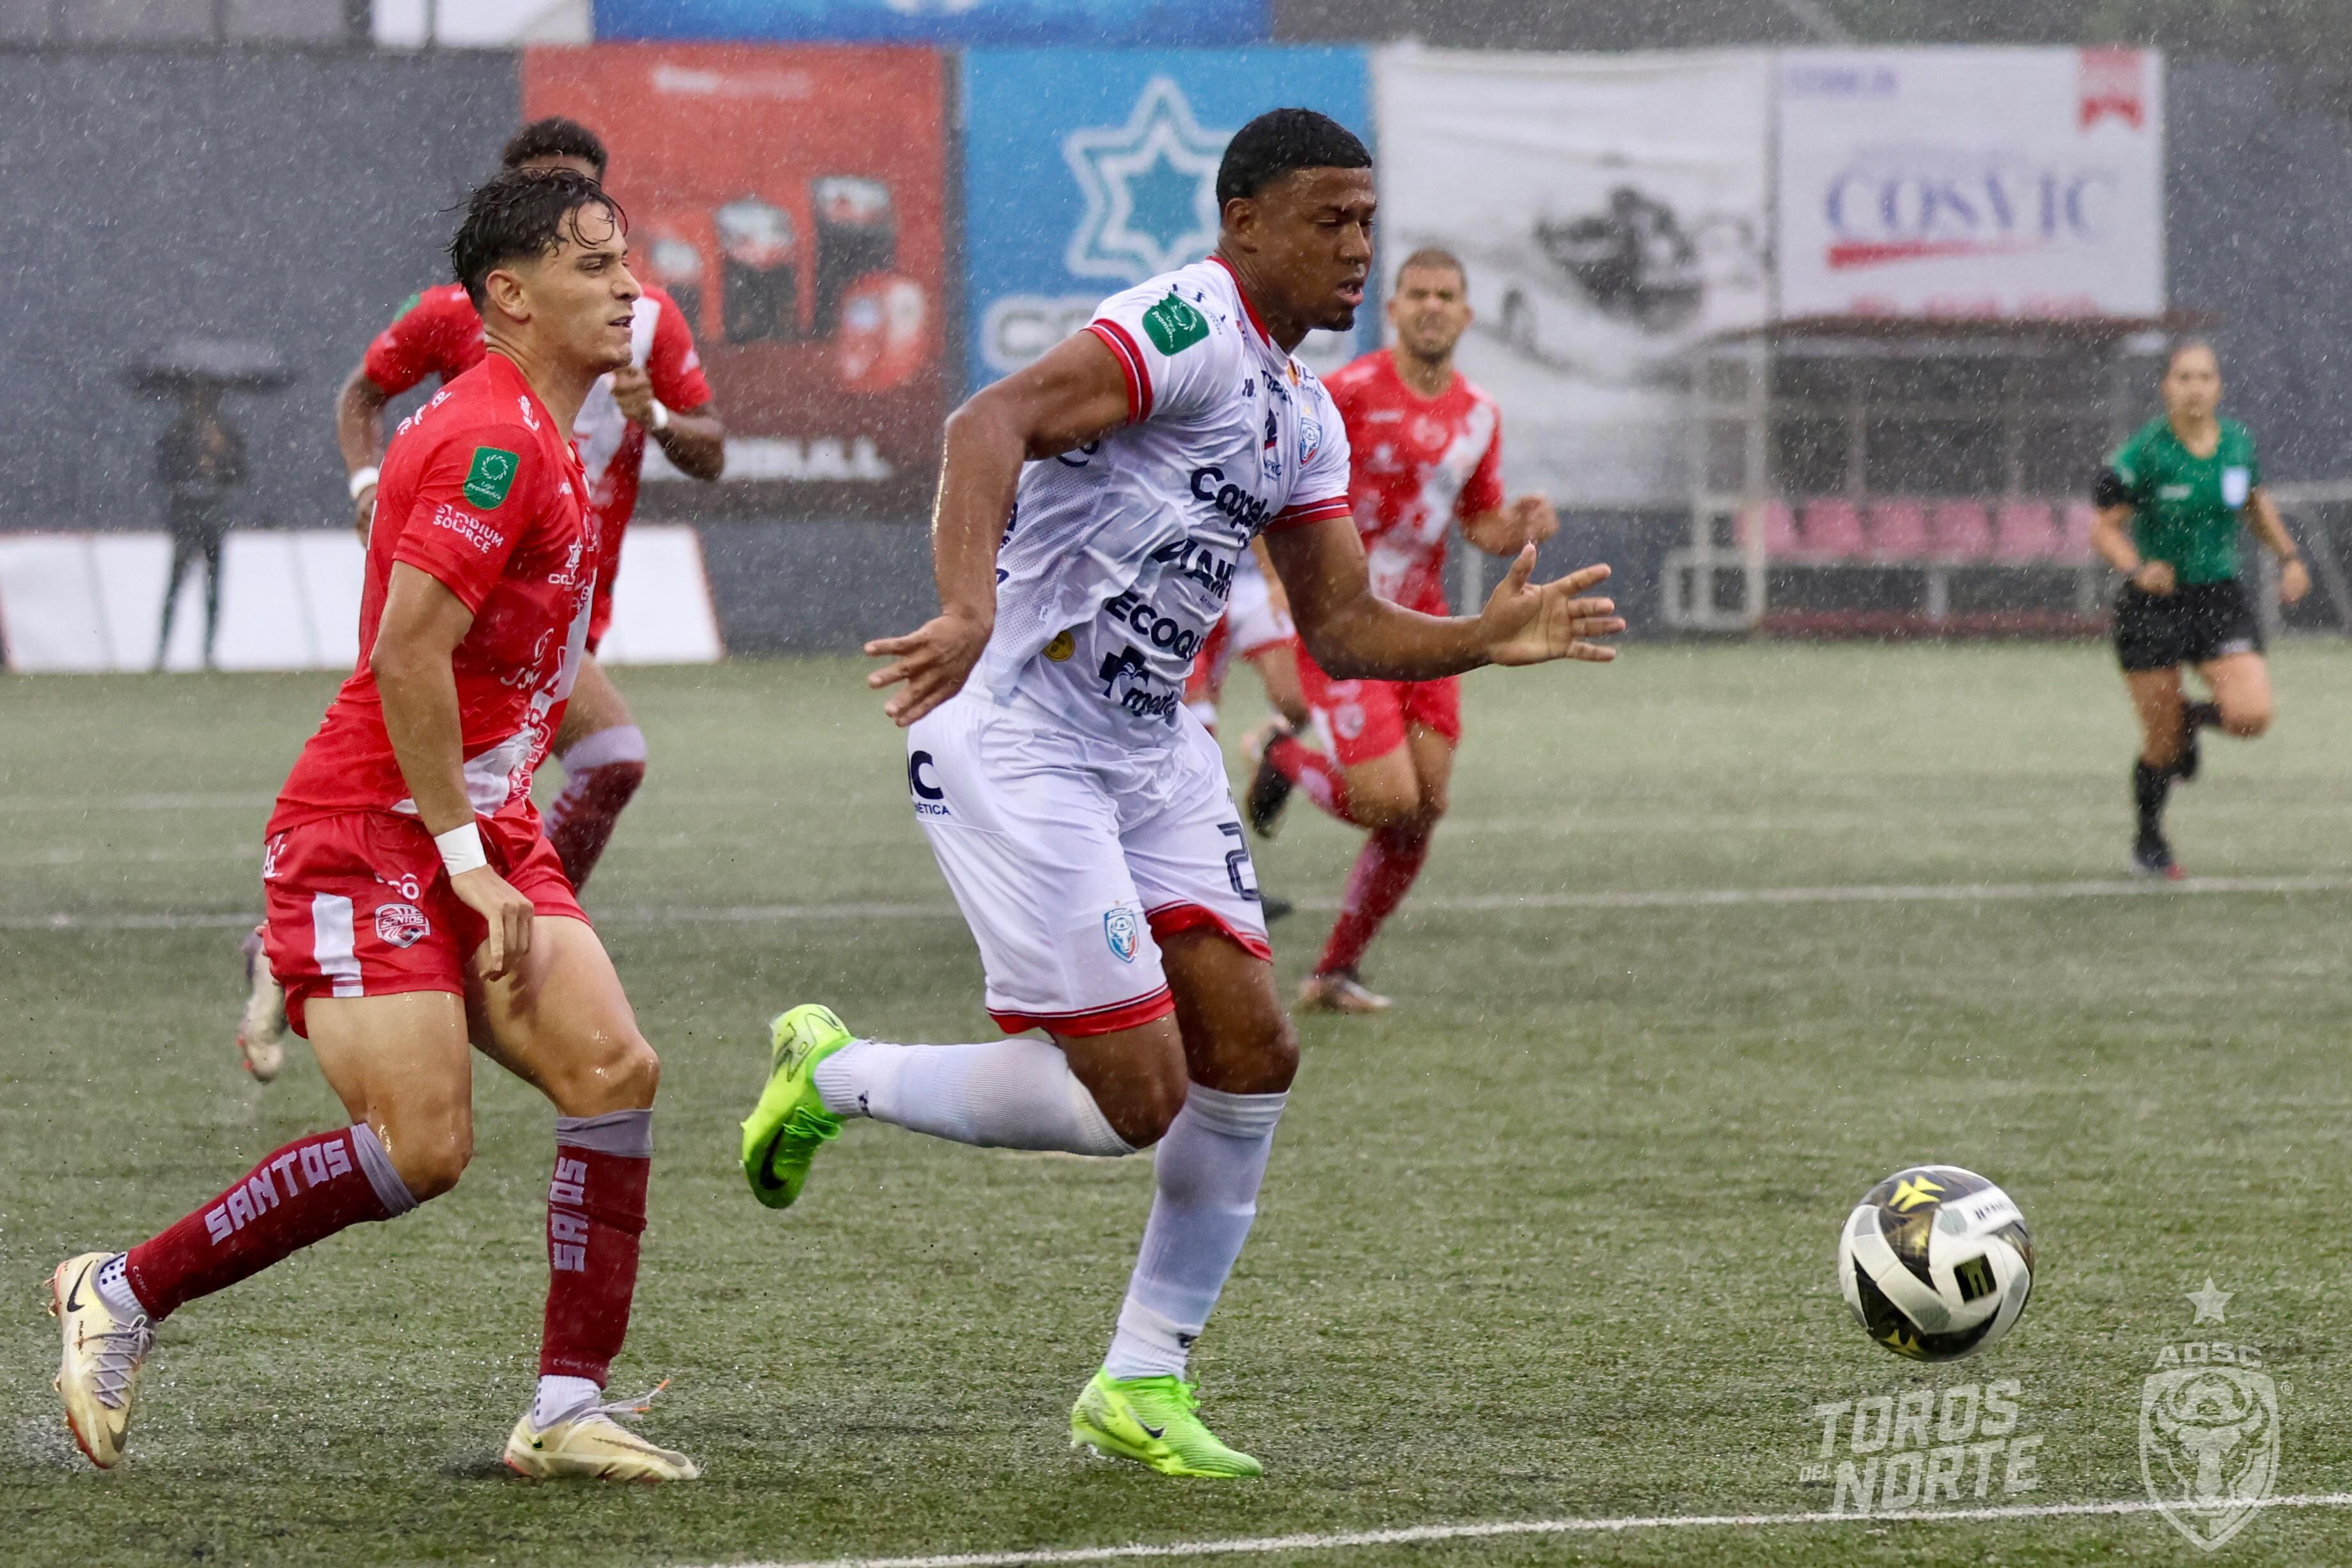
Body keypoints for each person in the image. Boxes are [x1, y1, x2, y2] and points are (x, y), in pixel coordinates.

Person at [736, 110, 1620, 1478]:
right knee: (1139, 1095)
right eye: (1328, 220)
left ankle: (1140, 1380)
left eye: (1367, 221)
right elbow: (988, 420)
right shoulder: (1188, 324)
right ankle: (832, 1073)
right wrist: (967, 606)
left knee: (1253, 1055)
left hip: (1150, 752)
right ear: (1243, 223)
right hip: (1021, 732)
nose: (1357, 248)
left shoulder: (1303, 413)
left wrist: (1478, 638)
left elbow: (1339, 626)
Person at [52, 169, 697, 1482]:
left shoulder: (540, 431)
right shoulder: (492, 440)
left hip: (477, 816)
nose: (629, 288)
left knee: (614, 1072)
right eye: (593, 266)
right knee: (423, 1147)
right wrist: (464, 858)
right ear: (511, 295)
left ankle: (565, 1404)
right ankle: (122, 1287)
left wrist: (487, 838)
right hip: (370, 826)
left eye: (625, 262)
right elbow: (409, 655)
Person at [236, 116, 725, 1083]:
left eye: (592, 206)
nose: (613, 274)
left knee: (611, 1071)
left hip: (564, 609)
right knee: (608, 755)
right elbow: (363, 397)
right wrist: (366, 484)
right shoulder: (467, 343)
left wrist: (660, 416)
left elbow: (711, 451)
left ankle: (454, 915)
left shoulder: (642, 321)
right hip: (486, 602)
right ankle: (474, 917)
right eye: (551, 197)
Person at [1241, 248, 1557, 1013]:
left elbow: (1478, 521)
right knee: (1386, 800)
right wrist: (1279, 578)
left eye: (1446, 295)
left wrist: (1516, 527)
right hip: (1343, 622)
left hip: (1423, 631)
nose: (1432, 307)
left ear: (1467, 314)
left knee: (1424, 809)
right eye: (1418, 294)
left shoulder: (1479, 414)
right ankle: (1283, 754)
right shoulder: (1346, 392)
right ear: (1393, 309)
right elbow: (1270, 479)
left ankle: (1334, 972)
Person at [2090, 339, 2308, 879]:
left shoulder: (2237, 443)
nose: (2194, 388)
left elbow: (2253, 503)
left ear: (2219, 386)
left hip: (2218, 597)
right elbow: (2103, 526)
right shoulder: (2147, 450)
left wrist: (2289, 557)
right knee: (2162, 746)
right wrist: (2137, 568)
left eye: (2204, 377)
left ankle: (2193, 718)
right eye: (2184, 377)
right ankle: (2148, 840)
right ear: (2166, 386)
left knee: (2251, 716)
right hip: (2154, 606)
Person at [1181, 538, 1308, 921]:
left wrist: (1276, 579)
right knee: (1195, 726)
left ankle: (1272, 751)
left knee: (1298, 701)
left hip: (1233, 581)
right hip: (1174, 579)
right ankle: (1218, 879)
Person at [152, 385, 248, 670]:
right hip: (187, 517)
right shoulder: (176, 434)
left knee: (212, 586)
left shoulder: (225, 434)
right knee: (176, 585)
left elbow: (240, 474)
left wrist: (220, 457)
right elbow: (165, 471)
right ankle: (162, 652)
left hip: (213, 517)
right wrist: (193, 466)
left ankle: (208, 652)